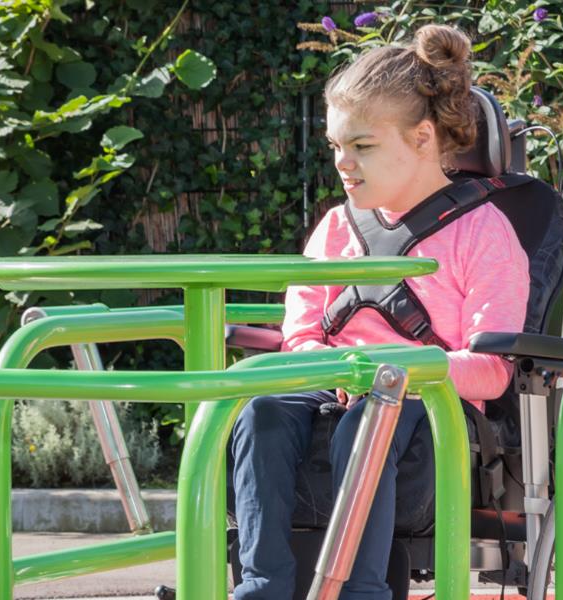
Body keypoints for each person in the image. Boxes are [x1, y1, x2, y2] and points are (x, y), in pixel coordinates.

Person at [227, 24, 530, 600]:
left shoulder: (485, 234)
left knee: (375, 416)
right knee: (261, 410)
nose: (343, 162)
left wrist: (392, 369)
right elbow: (300, 337)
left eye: (362, 146)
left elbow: (492, 370)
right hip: (332, 387)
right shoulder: (337, 227)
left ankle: (360, 592)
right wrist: (339, 371)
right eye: (336, 146)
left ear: (421, 137)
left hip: (429, 401)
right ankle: (261, 588)